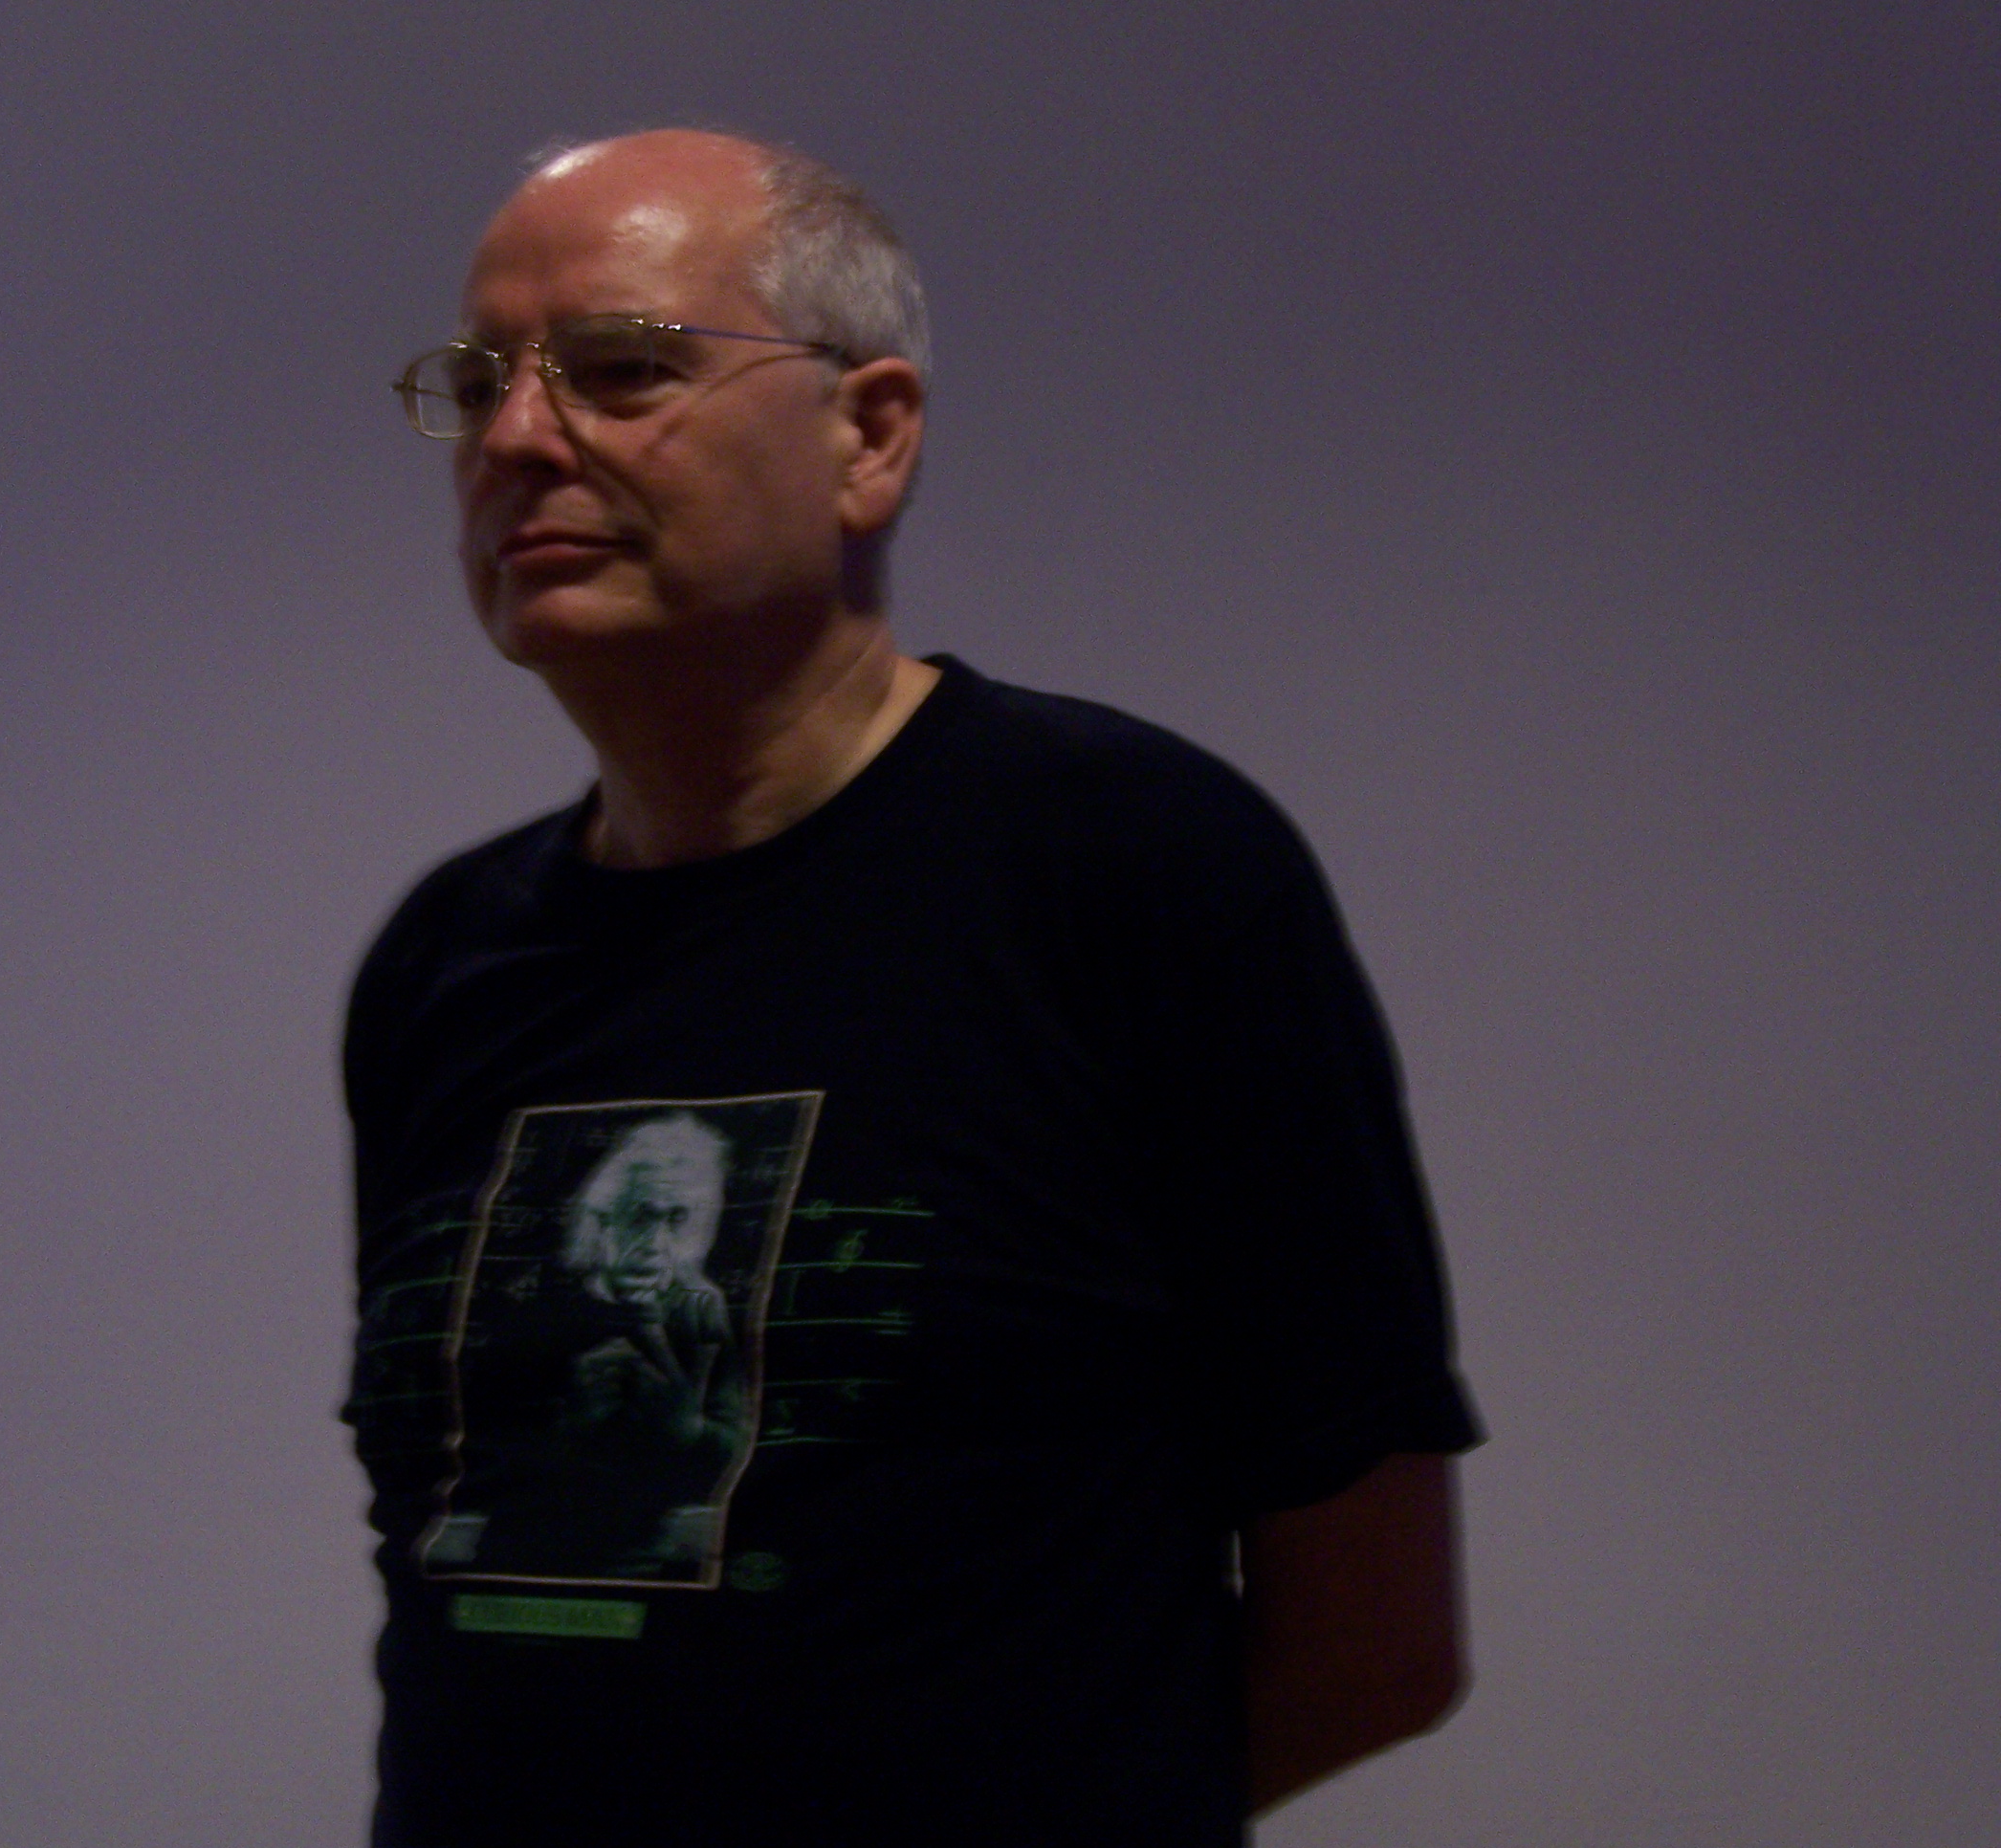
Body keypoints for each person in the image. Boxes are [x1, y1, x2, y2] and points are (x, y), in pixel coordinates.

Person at [341, 128, 1481, 1848]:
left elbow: (1376, 1634)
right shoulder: (447, 958)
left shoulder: (1127, 865)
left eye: (621, 369)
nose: (514, 440)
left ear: (867, 435)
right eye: (481, 382)